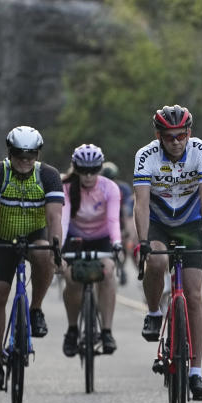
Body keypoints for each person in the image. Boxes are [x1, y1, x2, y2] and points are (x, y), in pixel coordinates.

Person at [133, 105, 202, 400]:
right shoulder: (146, 156)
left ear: (189, 133)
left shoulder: (201, 150)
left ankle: (195, 372)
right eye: (168, 137)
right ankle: (155, 312)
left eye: (180, 135)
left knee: (194, 295)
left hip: (191, 222)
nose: (175, 142)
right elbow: (141, 203)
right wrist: (143, 241)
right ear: (158, 136)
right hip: (158, 223)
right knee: (156, 261)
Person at [0, 126, 64, 391]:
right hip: (3, 238)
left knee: (43, 253)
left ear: (38, 154)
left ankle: (35, 308)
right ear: (10, 152)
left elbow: (54, 218)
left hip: (34, 234)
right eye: (20, 155)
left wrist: (56, 248)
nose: (25, 161)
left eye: (31, 155)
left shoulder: (48, 175)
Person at [60, 144, 123, 357]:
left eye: (93, 170)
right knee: (71, 277)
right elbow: (63, 219)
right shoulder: (66, 187)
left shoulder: (109, 188)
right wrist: (58, 247)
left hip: (102, 238)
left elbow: (114, 220)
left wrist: (117, 243)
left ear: (100, 169)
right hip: (74, 238)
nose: (88, 175)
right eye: (83, 170)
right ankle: (72, 330)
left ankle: (106, 331)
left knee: (107, 272)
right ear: (75, 168)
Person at [100, 160, 135, 286]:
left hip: (118, 220)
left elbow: (126, 209)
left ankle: (121, 266)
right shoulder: (98, 187)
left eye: (112, 178)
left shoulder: (123, 188)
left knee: (123, 244)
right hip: (103, 221)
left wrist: (126, 229)